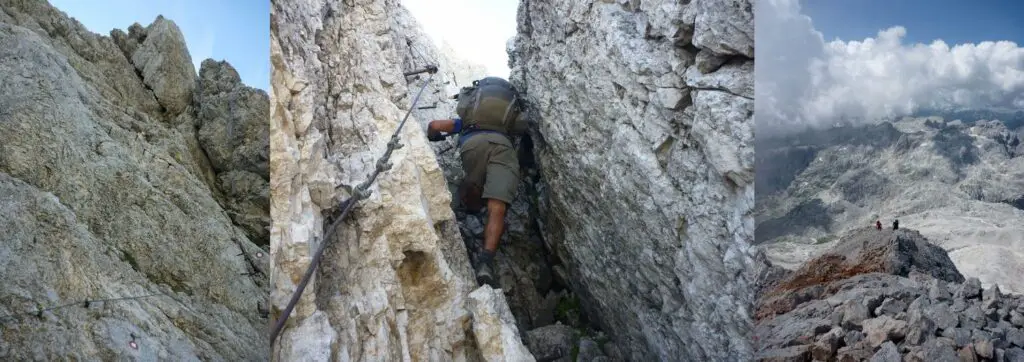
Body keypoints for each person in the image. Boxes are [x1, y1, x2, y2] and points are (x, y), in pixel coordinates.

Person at [426, 77, 528, 288]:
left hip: (473, 145)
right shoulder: (505, 123)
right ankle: (485, 262)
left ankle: (470, 206)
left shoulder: (466, 122)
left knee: (471, 184)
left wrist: (433, 137)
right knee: (497, 206)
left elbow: (434, 125)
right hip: (504, 148)